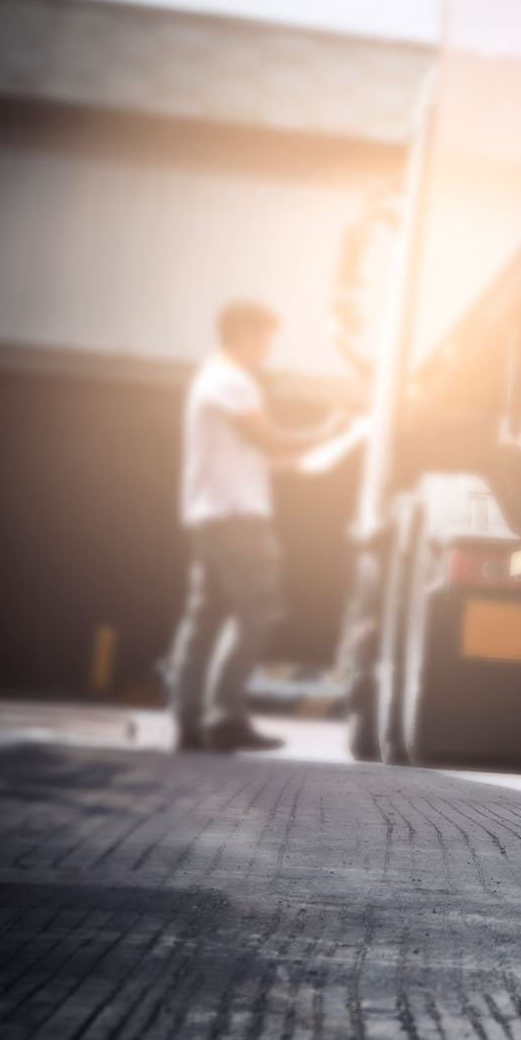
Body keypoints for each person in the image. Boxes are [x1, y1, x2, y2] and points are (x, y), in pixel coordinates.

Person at [166, 299, 342, 754]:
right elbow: (267, 439)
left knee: (203, 618)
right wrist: (325, 433)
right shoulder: (231, 379)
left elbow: (257, 456)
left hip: (211, 514)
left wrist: (304, 455)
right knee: (257, 614)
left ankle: (189, 724)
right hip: (237, 517)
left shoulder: (211, 379)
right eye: (265, 335)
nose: (269, 345)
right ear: (242, 332)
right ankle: (223, 717)